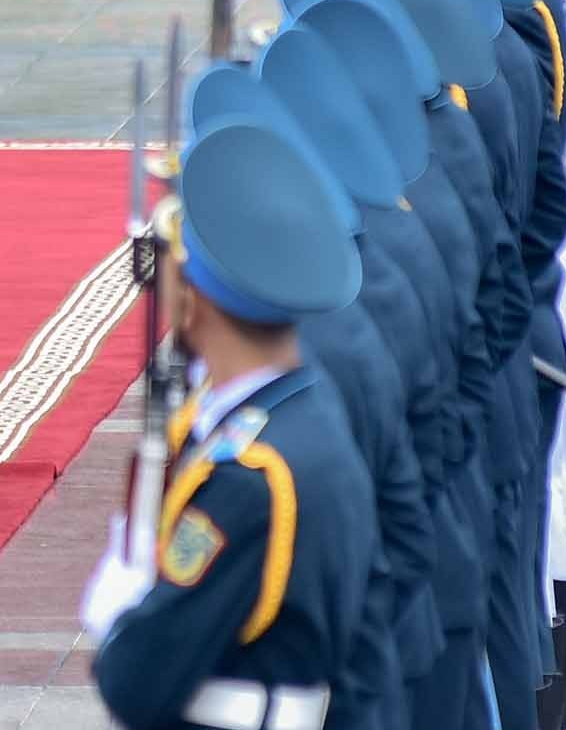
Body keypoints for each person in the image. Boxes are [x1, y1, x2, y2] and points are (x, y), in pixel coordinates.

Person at [78, 111, 374, 730]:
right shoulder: (305, 412)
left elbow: (136, 681)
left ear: (195, 298)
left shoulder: (249, 477)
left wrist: (123, 610)